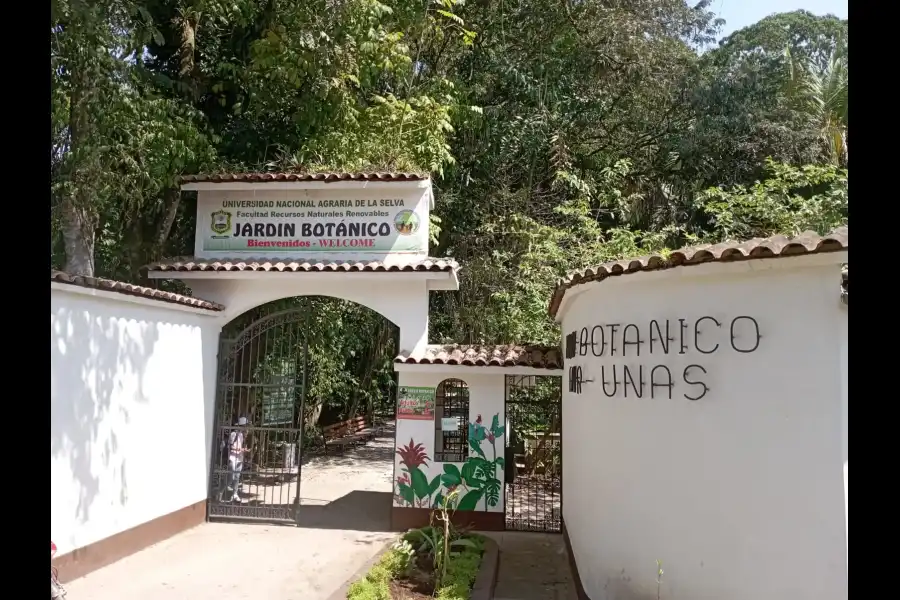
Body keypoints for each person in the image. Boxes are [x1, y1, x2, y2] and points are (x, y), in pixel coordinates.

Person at [227, 416, 249, 502]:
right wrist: (240, 450)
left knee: (237, 477)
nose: (246, 427)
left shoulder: (241, 435)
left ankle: (235, 494)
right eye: (245, 425)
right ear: (241, 425)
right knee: (230, 477)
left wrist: (243, 450)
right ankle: (220, 491)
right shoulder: (233, 434)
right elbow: (230, 446)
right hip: (232, 458)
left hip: (239, 458)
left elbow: (240, 446)